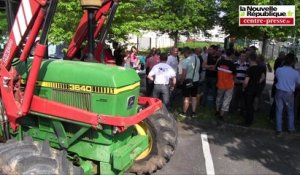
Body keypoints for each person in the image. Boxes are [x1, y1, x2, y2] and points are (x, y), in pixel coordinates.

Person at [275, 53, 300, 135]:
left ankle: (279, 128)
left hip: (279, 91)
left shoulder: (279, 70)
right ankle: (291, 128)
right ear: (293, 62)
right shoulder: (295, 72)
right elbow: (298, 83)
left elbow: (277, 79)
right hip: (289, 93)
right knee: (290, 110)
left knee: (279, 110)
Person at [243, 52, 265, 126]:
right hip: (256, 89)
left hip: (249, 89)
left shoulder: (250, 69)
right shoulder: (260, 68)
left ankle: (247, 121)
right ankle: (251, 119)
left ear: (250, 59)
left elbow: (246, 81)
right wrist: (258, 82)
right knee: (251, 105)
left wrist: (244, 87)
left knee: (248, 105)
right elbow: (263, 77)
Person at [179, 47, 201, 118]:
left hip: (188, 81)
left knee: (186, 97)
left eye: (184, 53)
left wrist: (181, 81)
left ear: (186, 53)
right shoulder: (197, 59)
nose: (183, 55)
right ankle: (193, 112)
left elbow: (184, 73)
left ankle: (184, 112)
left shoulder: (186, 61)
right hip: (196, 80)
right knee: (194, 97)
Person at [215, 50, 236, 121]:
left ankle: (217, 111)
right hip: (229, 85)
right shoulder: (232, 65)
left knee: (219, 97)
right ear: (232, 55)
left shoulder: (220, 62)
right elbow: (234, 76)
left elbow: (216, 70)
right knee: (226, 99)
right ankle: (222, 114)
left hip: (220, 83)